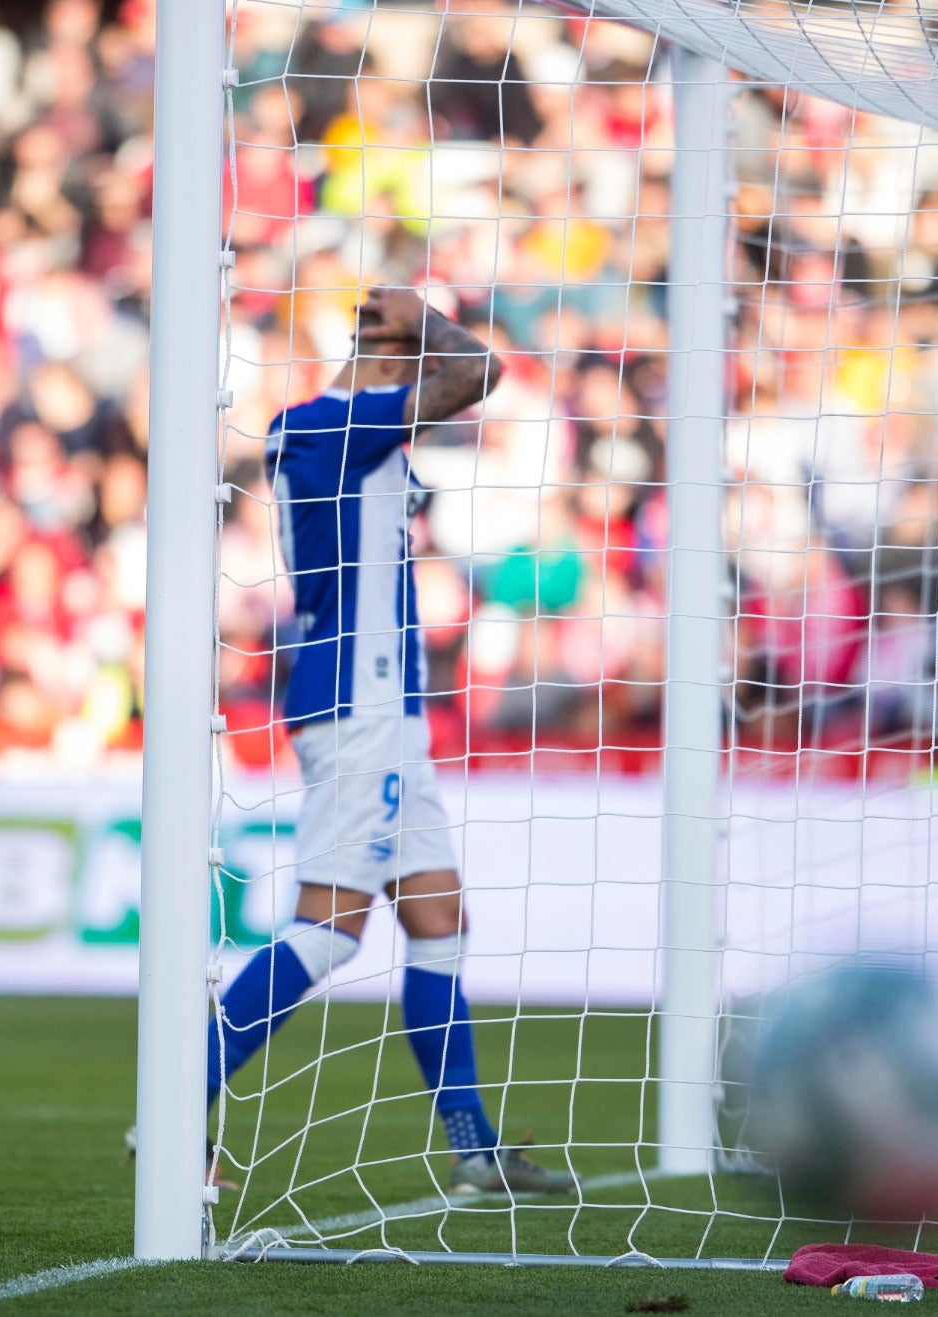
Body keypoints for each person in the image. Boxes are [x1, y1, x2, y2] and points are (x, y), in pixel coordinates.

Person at [206, 287, 576, 1195]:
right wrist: (424, 318)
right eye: (413, 356)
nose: (425, 378)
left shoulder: (331, 428)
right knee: (330, 934)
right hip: (360, 701)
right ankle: (182, 1093)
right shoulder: (336, 420)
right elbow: (479, 372)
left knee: (439, 918)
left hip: (385, 710)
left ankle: (476, 1145)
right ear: (394, 355)